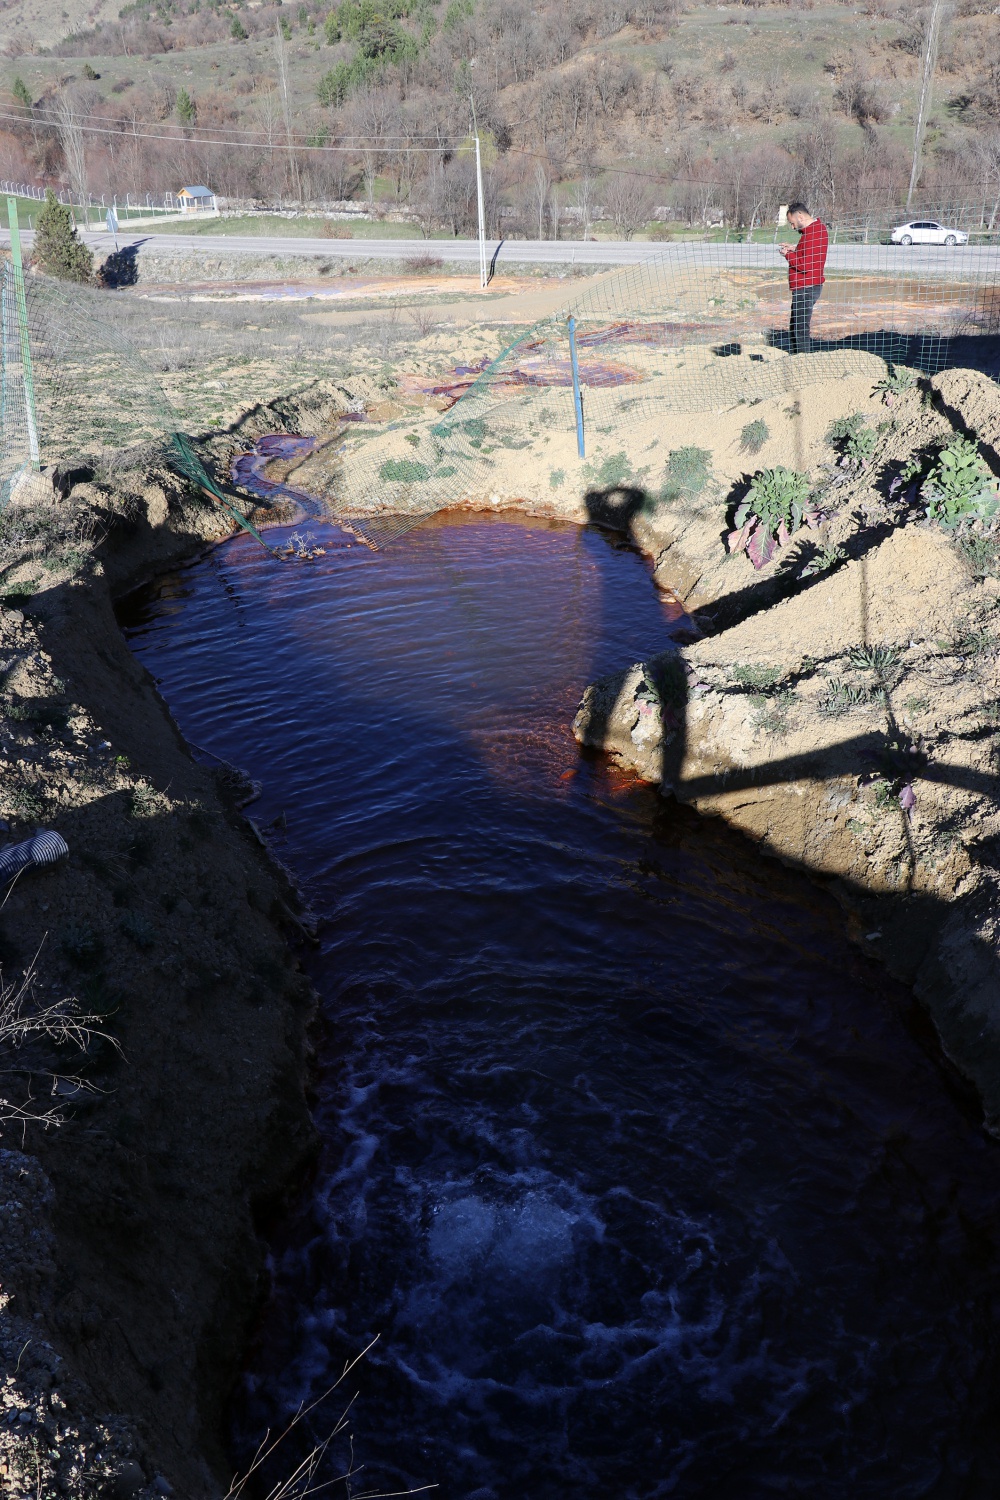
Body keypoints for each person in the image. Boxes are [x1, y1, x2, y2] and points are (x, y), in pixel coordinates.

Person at [778, 201, 828, 354]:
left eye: (792, 223)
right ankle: (797, 357)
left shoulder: (813, 234)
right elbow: (809, 252)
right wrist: (795, 248)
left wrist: (787, 255)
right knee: (795, 325)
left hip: (806, 287)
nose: (793, 227)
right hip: (806, 286)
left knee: (800, 328)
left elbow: (805, 265)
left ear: (800, 216)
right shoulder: (815, 230)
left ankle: (802, 359)